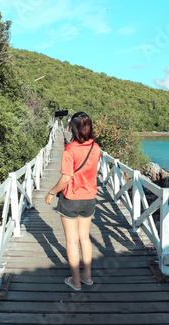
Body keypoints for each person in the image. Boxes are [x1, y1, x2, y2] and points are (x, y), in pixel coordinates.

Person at [45, 112, 101, 291]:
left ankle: (75, 281)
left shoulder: (70, 150)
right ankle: (87, 276)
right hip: (89, 199)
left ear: (73, 128)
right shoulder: (96, 148)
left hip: (71, 199)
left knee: (71, 241)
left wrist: (51, 192)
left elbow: (66, 178)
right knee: (85, 238)